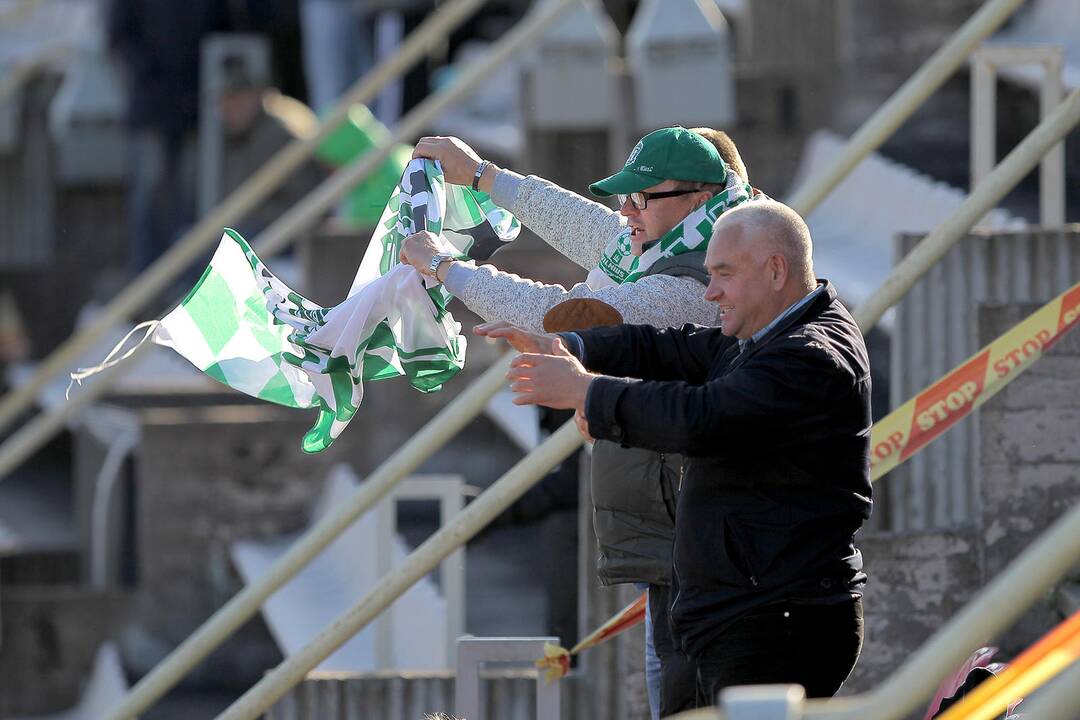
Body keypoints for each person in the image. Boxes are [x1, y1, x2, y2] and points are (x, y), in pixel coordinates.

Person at [401, 127, 754, 718]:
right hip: (682, 525)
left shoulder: (693, 284)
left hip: (695, 533)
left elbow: (560, 317)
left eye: (642, 198)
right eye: (627, 196)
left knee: (683, 694)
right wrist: (484, 175)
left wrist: (442, 267)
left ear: (696, 197)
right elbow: (596, 230)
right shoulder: (696, 235)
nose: (626, 211)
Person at [478, 199, 872, 706]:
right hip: (742, 611)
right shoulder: (766, 333)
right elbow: (675, 348)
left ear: (777, 270)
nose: (711, 293)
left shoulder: (811, 354)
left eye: (724, 275)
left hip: (777, 620)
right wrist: (574, 345)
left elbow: (702, 417)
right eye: (709, 274)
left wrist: (585, 393)